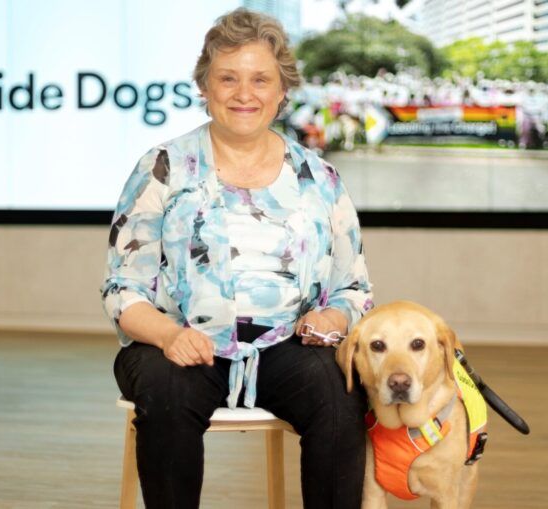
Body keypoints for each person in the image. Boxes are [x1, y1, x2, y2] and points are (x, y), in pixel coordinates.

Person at [100, 8, 373, 509]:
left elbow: (354, 289)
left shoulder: (320, 178)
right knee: (165, 388)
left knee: (339, 390)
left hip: (288, 348)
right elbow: (123, 289)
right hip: (180, 343)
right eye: (227, 78)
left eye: (260, 79)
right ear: (204, 86)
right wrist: (168, 335)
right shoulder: (162, 166)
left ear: (282, 90)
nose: (244, 93)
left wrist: (332, 318)